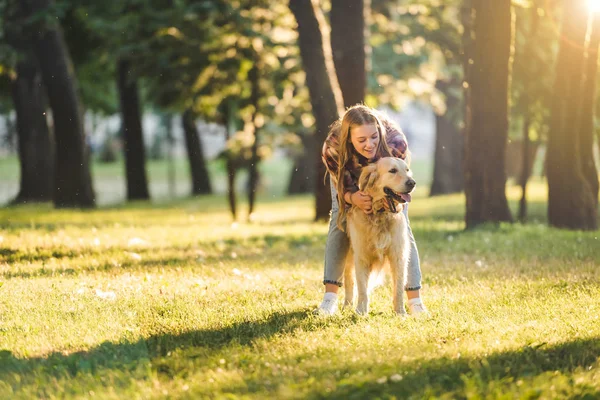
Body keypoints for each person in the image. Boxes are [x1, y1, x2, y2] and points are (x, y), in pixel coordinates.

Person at [317, 104, 428, 316]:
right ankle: (329, 299)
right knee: (338, 221)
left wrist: (388, 200)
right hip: (347, 176)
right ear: (349, 138)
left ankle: (414, 301)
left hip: (385, 176)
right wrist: (352, 197)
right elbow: (342, 190)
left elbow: (401, 176)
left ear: (380, 131)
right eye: (361, 140)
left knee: (402, 227)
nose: (370, 144)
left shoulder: (395, 143)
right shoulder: (333, 147)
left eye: (374, 137)